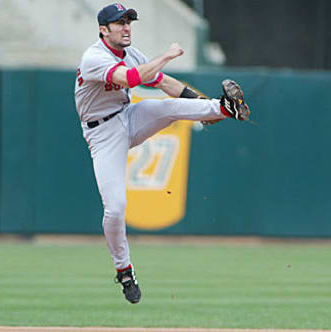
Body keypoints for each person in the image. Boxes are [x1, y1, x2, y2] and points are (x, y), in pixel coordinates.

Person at [74, 3, 250, 304]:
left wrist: (202, 103)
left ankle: (223, 108)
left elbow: (166, 84)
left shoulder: (134, 54)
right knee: (115, 208)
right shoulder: (94, 57)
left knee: (167, 108)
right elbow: (130, 79)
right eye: (119, 23)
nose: (126, 27)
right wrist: (166, 56)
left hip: (126, 115)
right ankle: (124, 269)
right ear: (104, 30)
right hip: (101, 133)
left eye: (129, 21)